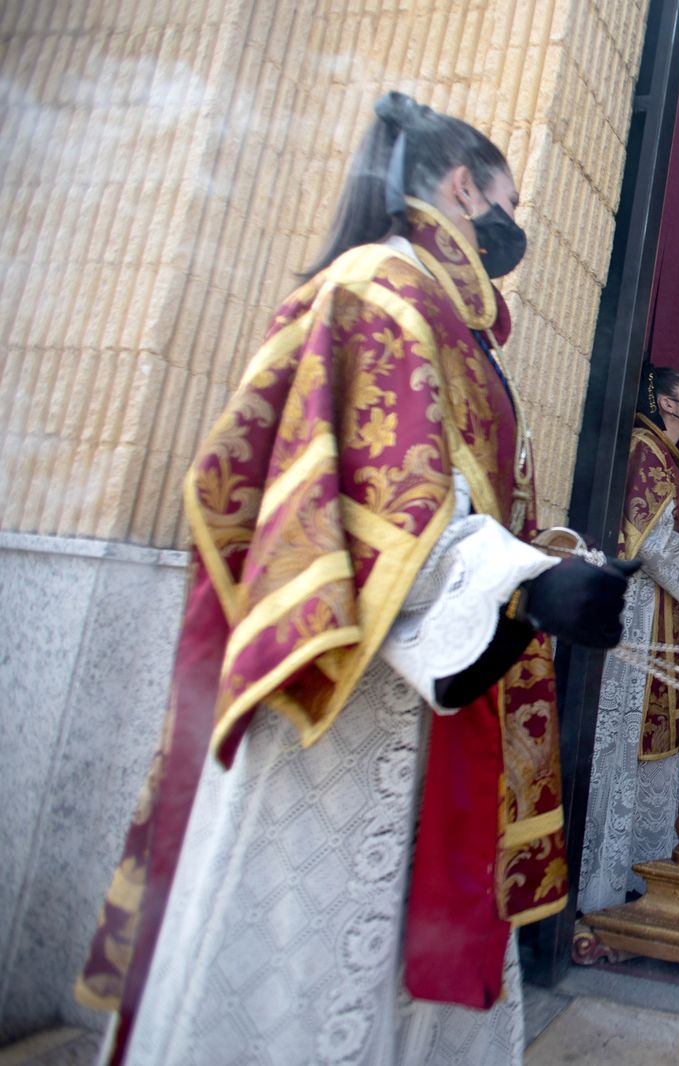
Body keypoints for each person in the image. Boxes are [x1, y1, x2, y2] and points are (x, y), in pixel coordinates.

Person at [75, 91, 635, 1066]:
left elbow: (457, 500)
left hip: (420, 693)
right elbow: (390, 512)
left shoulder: (437, 311)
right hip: (348, 710)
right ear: (463, 187)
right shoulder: (387, 288)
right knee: (315, 962)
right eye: (509, 201)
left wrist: (543, 562)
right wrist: (525, 584)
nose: (516, 227)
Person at [578, 364, 679, 912]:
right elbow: (646, 540)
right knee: (628, 735)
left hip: (665, 611)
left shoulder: (672, 455)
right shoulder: (645, 448)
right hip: (640, 610)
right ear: (667, 403)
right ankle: (603, 878)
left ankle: (637, 867)